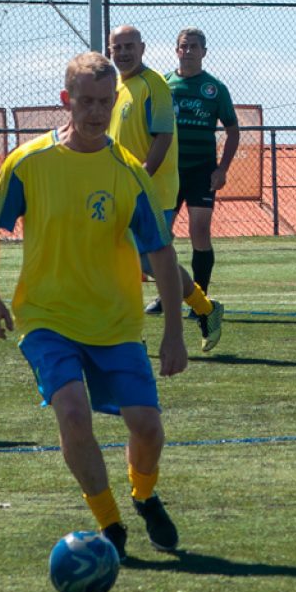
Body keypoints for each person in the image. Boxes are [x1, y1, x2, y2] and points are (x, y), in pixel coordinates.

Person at [0, 51, 188, 560]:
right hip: (47, 317)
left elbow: (160, 251)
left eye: (104, 103)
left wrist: (174, 330)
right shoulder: (29, 162)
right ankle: (110, 524)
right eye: (85, 101)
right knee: (72, 414)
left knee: (147, 428)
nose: (94, 112)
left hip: (115, 321)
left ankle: (143, 494)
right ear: (66, 101)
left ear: (115, 103)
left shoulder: (129, 173)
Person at [107, 24, 224, 352]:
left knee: (143, 261)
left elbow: (163, 137)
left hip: (151, 192)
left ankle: (135, 333)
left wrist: (140, 180)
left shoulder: (154, 85)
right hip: (123, 191)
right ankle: (204, 308)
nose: (124, 52)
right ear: (110, 52)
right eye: (118, 47)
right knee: (142, 262)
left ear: (143, 48)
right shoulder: (117, 87)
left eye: (130, 45)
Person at [161, 26, 239, 301]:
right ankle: (168, 293)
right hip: (167, 171)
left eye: (194, 46)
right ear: (176, 50)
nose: (189, 51)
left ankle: (200, 297)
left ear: (204, 52)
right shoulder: (163, 84)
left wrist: (222, 169)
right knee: (161, 234)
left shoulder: (215, 89)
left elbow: (233, 130)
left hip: (201, 170)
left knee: (200, 230)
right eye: (184, 46)